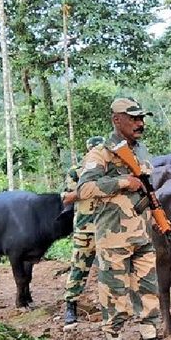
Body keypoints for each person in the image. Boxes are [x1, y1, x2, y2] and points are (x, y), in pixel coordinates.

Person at [77, 97, 171, 340]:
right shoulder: (101, 153)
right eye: (133, 119)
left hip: (142, 232)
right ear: (116, 120)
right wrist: (121, 183)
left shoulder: (139, 150)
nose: (139, 123)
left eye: (141, 118)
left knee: (148, 287)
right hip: (114, 236)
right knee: (114, 290)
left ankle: (150, 336)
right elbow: (83, 188)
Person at [61, 136, 105, 328]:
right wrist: (88, 189)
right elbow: (66, 197)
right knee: (79, 268)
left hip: (108, 228)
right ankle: (70, 306)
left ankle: (113, 311)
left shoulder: (110, 170)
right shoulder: (76, 172)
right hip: (85, 229)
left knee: (113, 271)